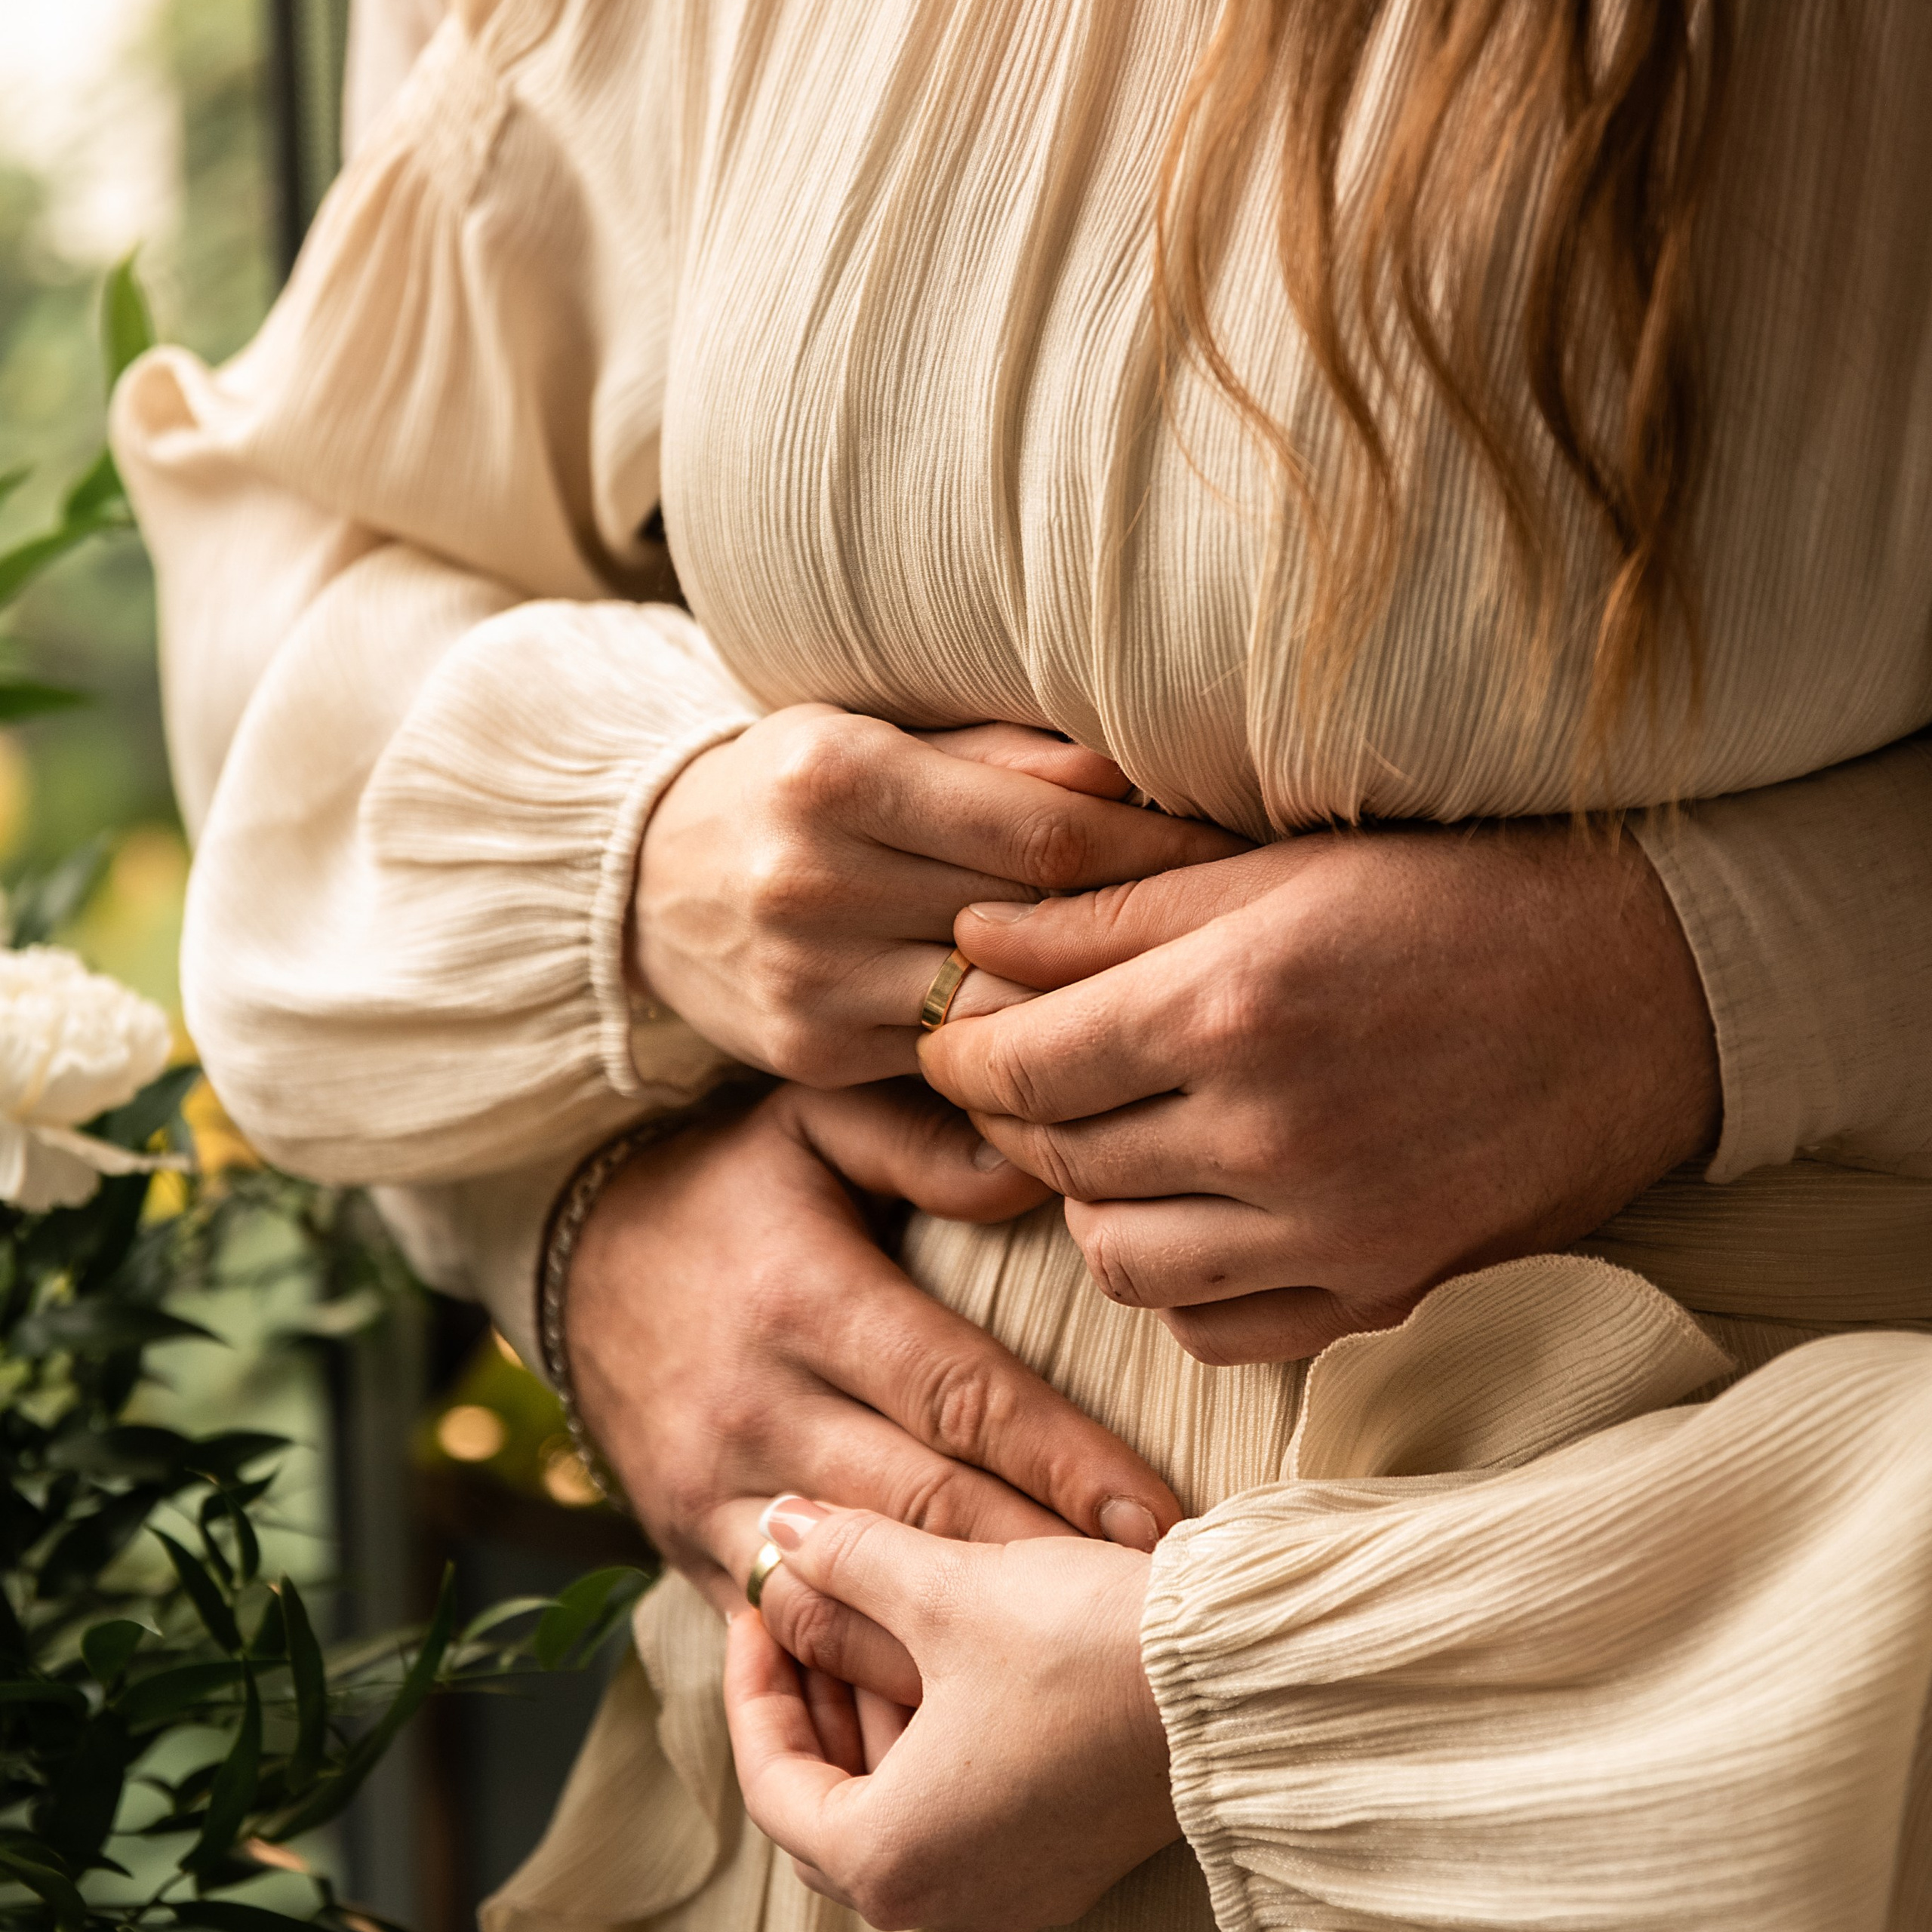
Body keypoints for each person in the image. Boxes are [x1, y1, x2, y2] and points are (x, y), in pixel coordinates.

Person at [112, 0, 1932, 1925]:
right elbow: (303, 553)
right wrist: (623, 974)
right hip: (825, 1786)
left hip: (1713, 1750)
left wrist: (1720, 985)